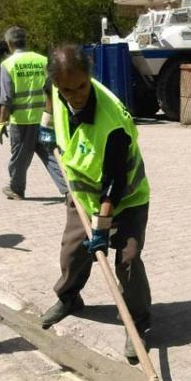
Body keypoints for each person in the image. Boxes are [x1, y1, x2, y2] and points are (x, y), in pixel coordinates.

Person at [40, 44, 152, 362]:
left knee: (127, 259)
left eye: (81, 87)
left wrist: (102, 228)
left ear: (90, 77)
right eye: (67, 90)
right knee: (74, 251)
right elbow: (48, 91)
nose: (75, 96)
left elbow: (114, 183)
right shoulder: (56, 85)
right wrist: (46, 125)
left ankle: (137, 325)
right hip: (82, 195)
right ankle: (69, 298)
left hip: (126, 197)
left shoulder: (112, 122)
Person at [0, 26, 67, 200]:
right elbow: (52, 89)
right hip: (44, 117)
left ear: (9, 44)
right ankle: (67, 190)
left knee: (19, 158)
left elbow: (6, 97)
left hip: (21, 121)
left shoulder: (8, 64)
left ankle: (16, 189)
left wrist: (2, 122)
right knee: (49, 155)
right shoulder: (42, 60)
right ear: (25, 41)